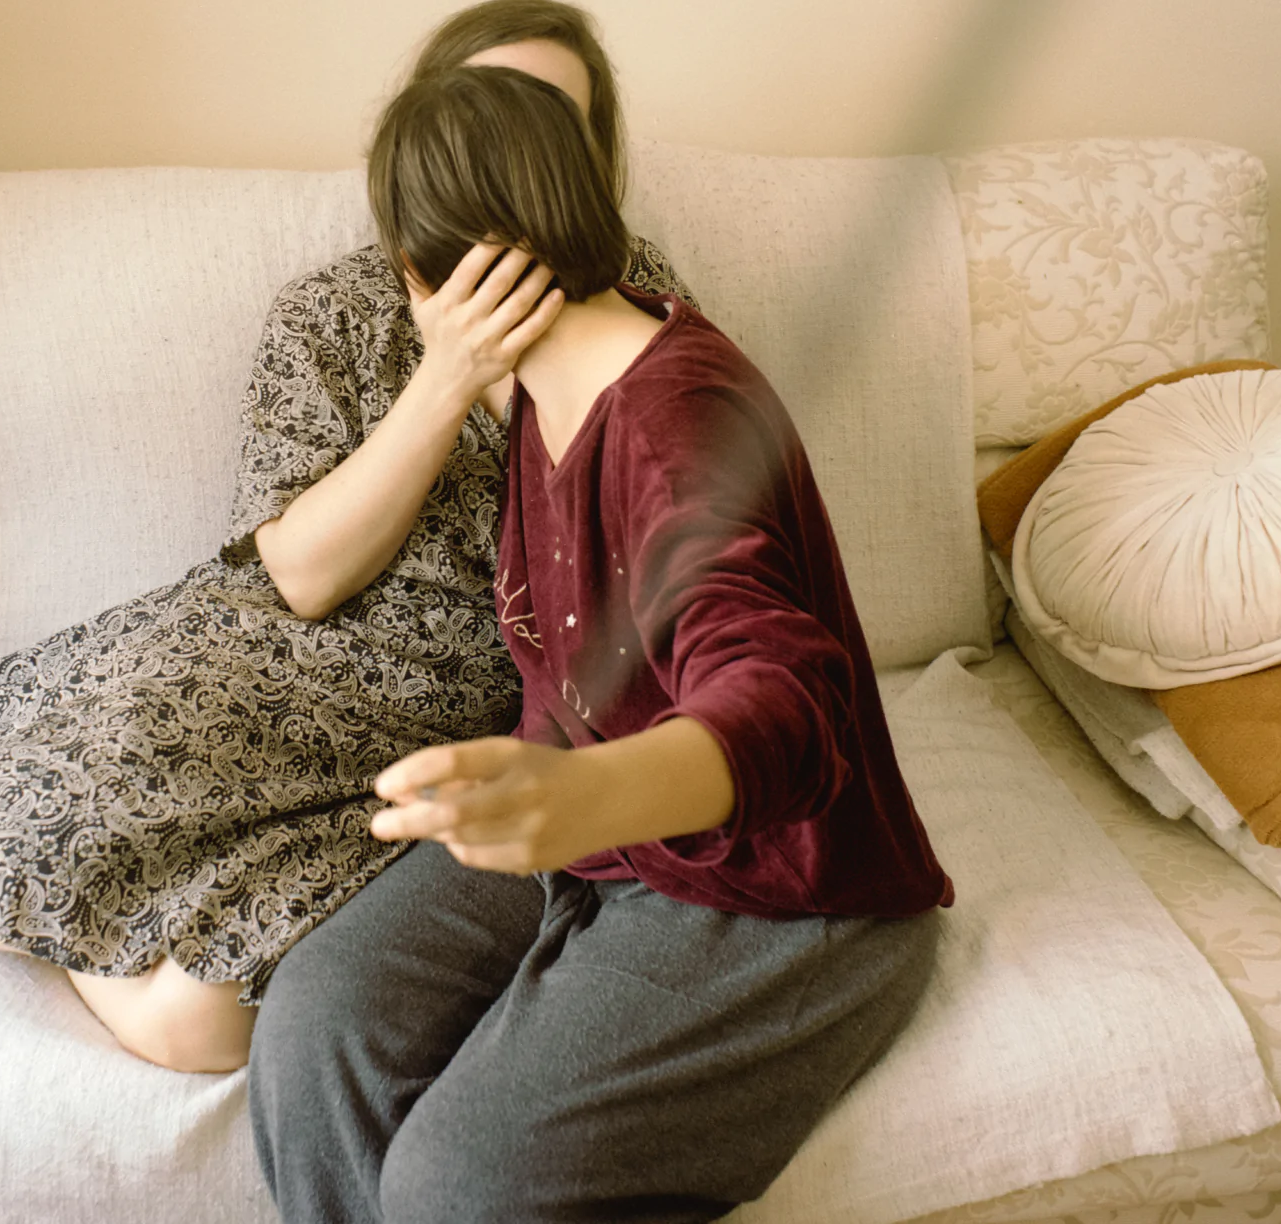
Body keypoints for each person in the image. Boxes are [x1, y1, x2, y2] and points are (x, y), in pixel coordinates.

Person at [0, 0, 696, 1075]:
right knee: (0, 861)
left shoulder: (645, 302)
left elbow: (675, 547)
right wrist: (447, 380)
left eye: (548, 124)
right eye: (482, 114)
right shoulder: (336, 313)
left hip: (457, 741)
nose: (510, 154)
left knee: (200, 1030)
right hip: (276, 670)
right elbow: (298, 575)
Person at [246, 64, 951, 1222]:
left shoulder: (678, 416)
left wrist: (595, 795)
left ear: (423, 272)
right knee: (319, 1019)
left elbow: (784, 693)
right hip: (601, 850)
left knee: (456, 1183)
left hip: (786, 895)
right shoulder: (541, 394)